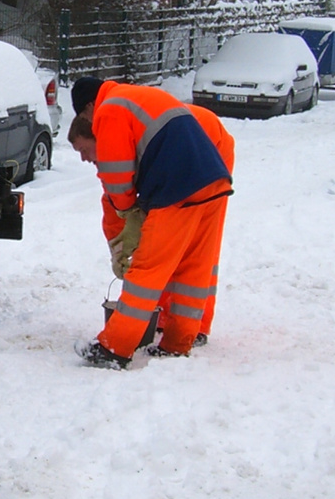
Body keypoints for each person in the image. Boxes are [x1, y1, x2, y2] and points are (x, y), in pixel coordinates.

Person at [66, 76, 233, 368]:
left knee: (149, 268)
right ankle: (178, 342)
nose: (89, 122)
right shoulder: (137, 97)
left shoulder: (111, 108)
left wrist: (130, 213)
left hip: (179, 186)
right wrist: (120, 240)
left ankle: (114, 347)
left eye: (84, 116)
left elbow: (116, 174)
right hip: (212, 181)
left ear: (91, 105)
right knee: (194, 265)